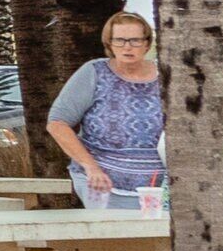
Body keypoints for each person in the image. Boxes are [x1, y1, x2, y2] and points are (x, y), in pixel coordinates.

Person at [44, 12, 166, 208]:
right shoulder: (94, 72)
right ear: (109, 43)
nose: (127, 47)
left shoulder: (166, 75)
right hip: (101, 183)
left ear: (147, 43)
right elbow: (57, 123)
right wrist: (90, 167)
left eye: (135, 40)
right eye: (119, 40)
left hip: (158, 188)